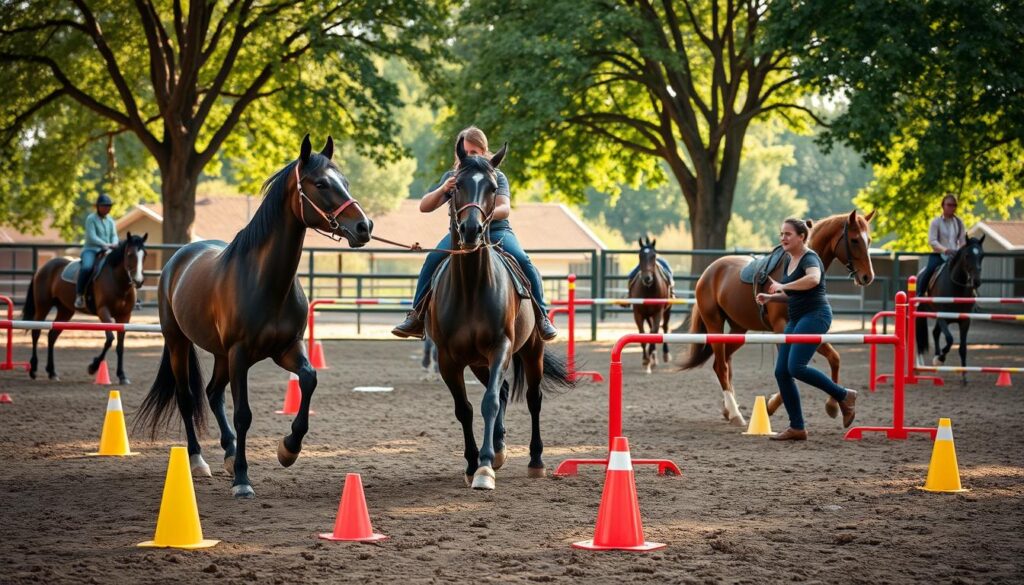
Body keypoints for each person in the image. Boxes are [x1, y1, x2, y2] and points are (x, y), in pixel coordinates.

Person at [392, 127, 558, 341]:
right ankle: (416, 316)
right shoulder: (452, 177)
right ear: (458, 153)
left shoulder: (496, 175)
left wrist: (480, 217)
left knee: (523, 261)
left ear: (484, 151)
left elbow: (504, 208)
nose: (470, 156)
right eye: (466, 152)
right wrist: (443, 189)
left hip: (496, 231)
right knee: (432, 259)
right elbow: (425, 207)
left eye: (475, 152)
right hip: (460, 235)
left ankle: (542, 317)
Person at [756, 218, 857, 441]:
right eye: (781, 233)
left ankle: (844, 395)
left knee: (796, 367)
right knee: (782, 371)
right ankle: (797, 427)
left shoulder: (810, 257)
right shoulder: (789, 260)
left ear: (801, 236)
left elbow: (813, 279)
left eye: (788, 234)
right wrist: (772, 297)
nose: (783, 238)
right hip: (797, 317)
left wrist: (783, 285)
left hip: (816, 316)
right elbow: (792, 294)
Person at [76, 193, 119, 309]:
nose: (107, 208)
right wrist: (106, 244)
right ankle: (79, 295)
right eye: (104, 206)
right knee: (87, 267)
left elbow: (114, 235)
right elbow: (91, 237)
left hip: (107, 250)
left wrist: (114, 243)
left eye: (109, 206)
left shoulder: (110, 220)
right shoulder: (91, 219)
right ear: (98, 207)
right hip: (91, 250)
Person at [917, 194, 967, 293]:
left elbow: (962, 240)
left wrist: (960, 250)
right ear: (943, 206)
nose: (952, 208)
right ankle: (920, 295)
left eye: (954, 205)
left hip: (955, 256)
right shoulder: (936, 222)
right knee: (929, 271)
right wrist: (945, 250)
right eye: (949, 205)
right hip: (938, 255)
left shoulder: (959, 222)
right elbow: (932, 241)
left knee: (968, 272)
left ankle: (972, 297)